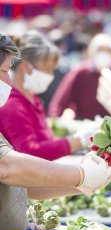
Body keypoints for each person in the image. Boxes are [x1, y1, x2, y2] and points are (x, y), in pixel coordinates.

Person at [0, 33, 111, 230]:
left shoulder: (30, 101)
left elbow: (27, 186)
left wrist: (82, 184)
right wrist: (80, 173)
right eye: (5, 71)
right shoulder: (13, 105)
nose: (9, 79)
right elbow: (9, 167)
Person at [0, 31, 97, 161]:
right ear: (26, 67)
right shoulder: (13, 104)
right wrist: (77, 141)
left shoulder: (32, 99)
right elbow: (28, 152)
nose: (51, 74)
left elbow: (44, 140)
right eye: (48, 68)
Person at [48, 33, 111, 120]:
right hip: (84, 125)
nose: (104, 54)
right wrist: (54, 121)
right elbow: (61, 100)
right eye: (100, 50)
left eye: (108, 51)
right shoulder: (81, 72)